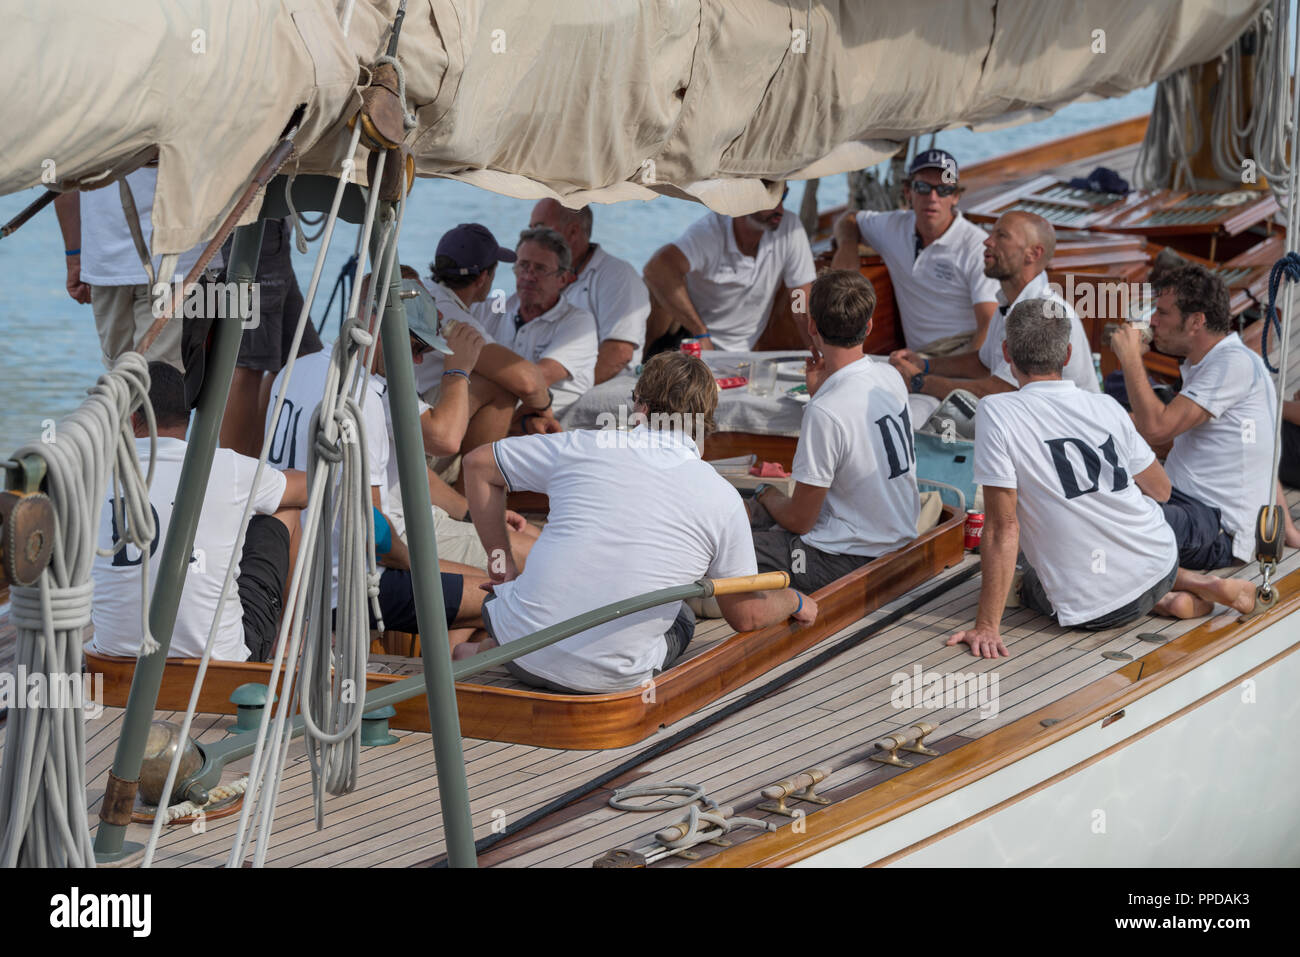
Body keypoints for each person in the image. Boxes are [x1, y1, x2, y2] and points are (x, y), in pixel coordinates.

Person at [456, 351, 820, 694]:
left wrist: (501, 565)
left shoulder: (585, 444)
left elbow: (477, 464)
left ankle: (483, 649)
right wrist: (796, 601)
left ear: (639, 408)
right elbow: (748, 615)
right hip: (606, 680)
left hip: (516, 648)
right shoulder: (723, 498)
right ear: (707, 424)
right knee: (681, 612)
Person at [948, 300, 1258, 659]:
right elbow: (1161, 490)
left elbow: (1003, 529)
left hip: (1095, 609)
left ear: (1006, 353)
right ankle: (1197, 584)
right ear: (1066, 355)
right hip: (1160, 562)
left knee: (1024, 575)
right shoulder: (1106, 406)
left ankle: (1173, 599)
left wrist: (986, 626)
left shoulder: (996, 411)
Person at [264, 290, 488, 638]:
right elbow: (373, 535)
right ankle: (444, 687)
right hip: (345, 585)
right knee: (503, 594)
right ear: (378, 328)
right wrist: (416, 562)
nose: (416, 362)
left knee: (478, 584)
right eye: (417, 348)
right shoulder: (364, 396)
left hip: (289, 569)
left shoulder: (293, 370)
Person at [89, 363, 307, 663]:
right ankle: (289, 641)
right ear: (188, 419)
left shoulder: (91, 473)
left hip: (114, 660)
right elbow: (306, 490)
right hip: (219, 664)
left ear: (131, 417)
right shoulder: (228, 466)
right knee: (287, 509)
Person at [750, 270, 920, 592]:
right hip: (896, 538)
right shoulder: (891, 378)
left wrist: (767, 494)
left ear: (812, 326)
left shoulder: (825, 411)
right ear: (868, 326)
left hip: (845, 558)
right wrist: (821, 393)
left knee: (728, 544)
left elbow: (801, 521)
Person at [1110, 263, 1286, 568]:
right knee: (1096, 503)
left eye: (1163, 313)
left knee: (1105, 521)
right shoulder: (1220, 361)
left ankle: (1186, 593)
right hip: (1195, 513)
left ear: (1196, 321)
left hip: (1217, 531)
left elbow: (1156, 428)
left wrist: (1129, 359)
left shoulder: (1230, 364)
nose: (1153, 320)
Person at [888, 210, 1099, 399]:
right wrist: (925, 365)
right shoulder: (1009, 304)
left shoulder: (1041, 313)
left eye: (1002, 236)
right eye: (991, 233)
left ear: (1033, 254)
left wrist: (919, 382)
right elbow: (983, 363)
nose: (987, 241)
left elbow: (1001, 391)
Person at [55, 167, 219, 399]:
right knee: (163, 389)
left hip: (107, 257)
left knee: (122, 385)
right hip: (178, 255)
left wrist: (74, 257)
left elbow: (61, 176)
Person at [832, 149, 999, 352]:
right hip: (919, 358)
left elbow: (989, 326)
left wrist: (956, 374)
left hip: (965, 349)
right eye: (922, 187)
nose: (933, 197)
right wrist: (847, 249)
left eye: (944, 190)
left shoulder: (976, 247)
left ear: (955, 196)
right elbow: (848, 219)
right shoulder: (894, 227)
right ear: (907, 192)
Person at [421, 224, 562, 452]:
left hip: (397, 408)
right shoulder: (456, 319)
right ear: (483, 278)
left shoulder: (425, 290)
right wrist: (546, 412)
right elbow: (527, 380)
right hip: (419, 431)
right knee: (501, 383)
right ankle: (471, 484)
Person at [642, 185, 816, 353]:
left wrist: (815, 351)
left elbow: (799, 297)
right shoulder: (709, 233)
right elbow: (656, 269)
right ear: (743, 200)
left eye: (783, 196)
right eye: (771, 200)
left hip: (746, 355)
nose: (780, 209)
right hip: (698, 347)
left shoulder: (789, 227)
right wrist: (700, 332)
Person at [219, 218, 325, 457]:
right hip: (255, 223)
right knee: (248, 365)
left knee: (301, 360)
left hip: (273, 231)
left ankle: (258, 464)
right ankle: (235, 471)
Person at [472, 227, 599, 419]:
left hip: (550, 428)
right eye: (523, 265)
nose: (528, 276)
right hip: (497, 418)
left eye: (540, 269)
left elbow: (534, 381)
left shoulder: (579, 323)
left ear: (563, 278)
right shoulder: (492, 308)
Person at [529, 200, 650, 382]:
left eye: (539, 228)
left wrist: (558, 394)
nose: (531, 237)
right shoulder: (545, 276)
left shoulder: (616, 275)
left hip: (599, 391)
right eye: (530, 229)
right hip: (548, 381)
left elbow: (618, 352)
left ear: (572, 232)